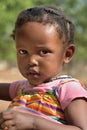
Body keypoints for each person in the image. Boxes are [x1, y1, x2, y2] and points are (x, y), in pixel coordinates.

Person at [0, 5, 87, 130]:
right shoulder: (22, 88)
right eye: (23, 52)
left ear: (67, 54)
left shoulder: (68, 89)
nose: (31, 61)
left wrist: (33, 123)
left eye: (43, 52)